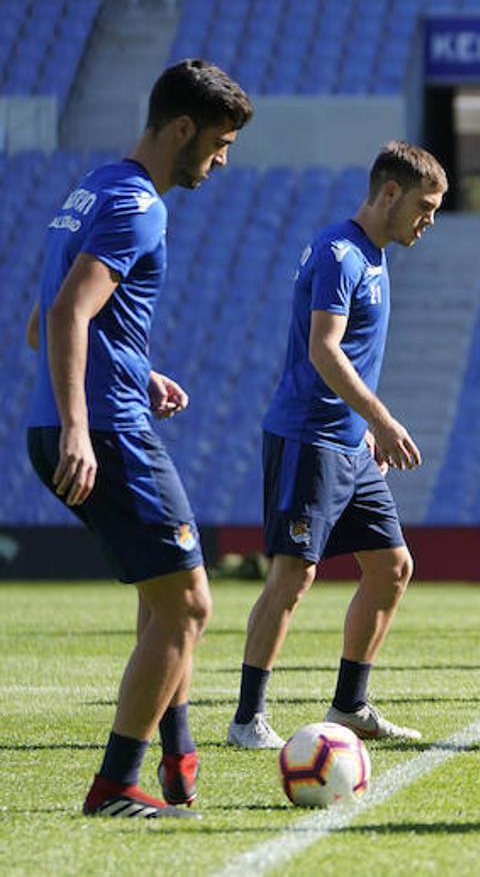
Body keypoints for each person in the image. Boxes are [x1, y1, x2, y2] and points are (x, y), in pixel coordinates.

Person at [25, 59, 252, 816]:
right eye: (218, 143)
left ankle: (173, 756)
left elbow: (44, 316)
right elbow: (63, 319)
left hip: (83, 413)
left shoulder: (92, 187)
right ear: (181, 128)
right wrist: (82, 430)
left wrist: (137, 367)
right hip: (105, 430)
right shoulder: (138, 207)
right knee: (190, 605)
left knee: (166, 598)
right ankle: (118, 782)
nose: (221, 161)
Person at [229, 142, 446, 749]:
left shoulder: (374, 256)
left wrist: (365, 429)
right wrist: (379, 418)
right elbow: (324, 348)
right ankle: (248, 718)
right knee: (293, 577)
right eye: (425, 206)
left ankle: (350, 706)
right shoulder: (339, 253)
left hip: (350, 445)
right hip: (308, 437)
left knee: (392, 567)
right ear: (388, 194)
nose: (429, 220)